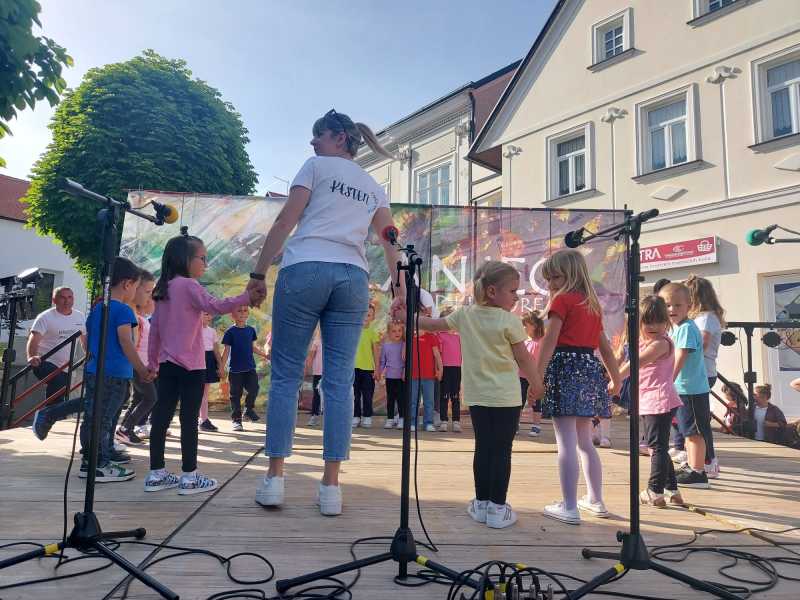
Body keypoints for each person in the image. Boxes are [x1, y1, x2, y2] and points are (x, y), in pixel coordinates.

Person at [247, 109, 402, 516]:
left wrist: (258, 273)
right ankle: (331, 487)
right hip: (352, 277)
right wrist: (400, 288)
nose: (312, 142)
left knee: (285, 375)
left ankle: (275, 479)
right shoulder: (373, 186)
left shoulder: (315, 167)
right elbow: (390, 239)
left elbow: (286, 220)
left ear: (338, 138)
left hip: (305, 269)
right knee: (339, 381)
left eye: (318, 135)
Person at [406, 261, 544, 528]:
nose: (516, 297)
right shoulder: (510, 321)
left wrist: (406, 317)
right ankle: (497, 509)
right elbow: (524, 359)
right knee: (502, 450)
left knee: (483, 447)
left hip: (478, 397)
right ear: (492, 291)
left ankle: (481, 504)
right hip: (506, 398)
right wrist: (537, 384)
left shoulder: (465, 315)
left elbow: (432, 324)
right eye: (512, 291)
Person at [145, 234, 255, 495]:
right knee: (189, 420)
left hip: (166, 365)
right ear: (185, 259)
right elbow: (214, 306)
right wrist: (246, 297)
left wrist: (152, 363)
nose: (206, 263)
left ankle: (156, 474)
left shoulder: (163, 288)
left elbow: (155, 331)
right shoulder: (189, 285)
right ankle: (189, 477)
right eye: (202, 258)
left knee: (161, 417)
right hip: (192, 367)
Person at [537, 249, 621, 525]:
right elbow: (605, 348)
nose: (551, 284)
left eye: (555, 278)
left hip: (565, 370)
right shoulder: (591, 305)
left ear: (571, 275)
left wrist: (537, 375)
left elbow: (550, 340)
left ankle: (570, 506)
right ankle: (595, 500)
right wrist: (616, 378)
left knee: (566, 442)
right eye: (549, 279)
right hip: (589, 370)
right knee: (585, 442)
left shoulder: (562, 301)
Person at [79, 257, 150, 482]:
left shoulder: (98, 308)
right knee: (105, 420)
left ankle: (89, 462)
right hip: (115, 375)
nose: (136, 291)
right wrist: (141, 369)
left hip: (94, 371)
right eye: (136, 286)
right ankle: (100, 465)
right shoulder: (123, 310)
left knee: (92, 417)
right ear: (127, 284)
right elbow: (126, 341)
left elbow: (87, 338)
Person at [618, 296, 684, 508]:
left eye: (659, 321)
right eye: (647, 322)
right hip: (650, 400)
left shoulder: (661, 343)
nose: (653, 326)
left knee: (657, 447)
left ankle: (654, 490)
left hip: (659, 400)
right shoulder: (646, 342)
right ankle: (672, 490)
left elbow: (636, 363)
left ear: (667, 322)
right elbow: (626, 353)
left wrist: (615, 379)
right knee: (659, 446)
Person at [658, 282, 710, 489]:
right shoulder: (676, 328)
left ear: (689, 306)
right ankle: (692, 465)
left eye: (677, 305)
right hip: (683, 389)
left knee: (694, 432)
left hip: (691, 390)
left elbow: (681, 356)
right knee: (687, 430)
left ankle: (698, 472)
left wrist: (668, 379)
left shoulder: (687, 328)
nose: (672, 309)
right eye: (667, 305)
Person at [28, 287, 87, 440]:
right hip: (44, 361)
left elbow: (84, 340)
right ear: (54, 300)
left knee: (59, 392)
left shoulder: (79, 317)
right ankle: (47, 415)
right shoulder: (46, 317)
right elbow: (34, 339)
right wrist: (32, 356)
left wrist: (90, 354)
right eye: (62, 297)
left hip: (65, 365)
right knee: (59, 382)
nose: (67, 301)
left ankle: (48, 418)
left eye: (70, 297)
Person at [686, 275, 725, 479]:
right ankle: (699, 458)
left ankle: (708, 460)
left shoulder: (706, 318)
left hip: (701, 373)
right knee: (692, 419)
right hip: (697, 373)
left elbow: (701, 344)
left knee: (698, 420)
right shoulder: (702, 317)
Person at [116, 270, 157, 445]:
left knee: (139, 398)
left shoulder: (140, 317)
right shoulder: (133, 316)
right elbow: (132, 344)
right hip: (137, 366)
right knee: (151, 397)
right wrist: (141, 368)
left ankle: (125, 429)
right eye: (148, 293)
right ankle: (125, 429)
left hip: (140, 365)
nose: (150, 298)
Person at [221, 305, 267, 432]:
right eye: (239, 311)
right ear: (232, 315)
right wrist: (221, 367)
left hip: (249, 368)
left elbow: (252, 347)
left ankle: (248, 410)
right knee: (235, 395)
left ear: (248, 314)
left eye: (245, 310)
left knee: (254, 388)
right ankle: (236, 420)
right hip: (235, 370)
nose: (242, 313)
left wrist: (265, 354)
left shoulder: (251, 330)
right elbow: (226, 351)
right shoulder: (230, 332)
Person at [410, 298, 442, 432]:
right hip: (413, 375)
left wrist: (440, 369)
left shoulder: (431, 337)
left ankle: (428, 422)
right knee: (413, 401)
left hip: (429, 376)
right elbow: (405, 357)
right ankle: (412, 422)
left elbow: (437, 355)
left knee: (429, 401)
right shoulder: (410, 339)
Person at [352, 301, 381, 428]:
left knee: (368, 394)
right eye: (364, 314)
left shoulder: (373, 333)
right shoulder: (353, 331)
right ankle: (356, 416)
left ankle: (367, 416)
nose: (365, 317)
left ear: (373, 317)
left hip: (368, 369)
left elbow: (376, 353)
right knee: (355, 394)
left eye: (369, 315)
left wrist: (377, 369)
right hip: (353, 368)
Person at [437, 307, 462, 433]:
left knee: (455, 395)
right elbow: (437, 354)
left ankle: (456, 421)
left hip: (456, 369)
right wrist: (438, 369)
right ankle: (444, 421)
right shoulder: (439, 336)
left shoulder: (459, 337)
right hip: (444, 369)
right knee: (444, 395)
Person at [520, 310, 544, 437]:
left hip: (535, 377)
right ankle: (515, 424)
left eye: (526, 325)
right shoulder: (523, 341)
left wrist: (537, 377)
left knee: (535, 401)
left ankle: (536, 425)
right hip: (521, 376)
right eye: (522, 325)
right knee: (519, 400)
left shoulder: (540, 342)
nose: (523, 327)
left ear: (534, 326)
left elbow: (540, 361)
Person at [199, 312, 223, 432]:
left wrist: (220, 365)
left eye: (210, 314)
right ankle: (198, 418)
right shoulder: (193, 330)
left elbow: (216, 350)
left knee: (204, 392)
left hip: (208, 360)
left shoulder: (212, 331)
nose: (209, 317)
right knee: (195, 392)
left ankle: (204, 419)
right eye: (206, 314)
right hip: (196, 359)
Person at [379, 320, 405, 429]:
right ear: (389, 333)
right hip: (390, 377)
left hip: (401, 377)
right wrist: (381, 374)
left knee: (401, 399)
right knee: (390, 399)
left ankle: (402, 419)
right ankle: (390, 419)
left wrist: (405, 372)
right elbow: (383, 361)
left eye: (399, 330)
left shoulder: (405, 345)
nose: (397, 333)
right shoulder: (386, 346)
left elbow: (406, 361)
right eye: (394, 331)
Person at [306, 328, 323, 427]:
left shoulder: (333, 341)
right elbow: (311, 356)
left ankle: (331, 418)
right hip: (318, 373)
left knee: (330, 396)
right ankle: (314, 416)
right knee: (317, 395)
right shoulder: (317, 341)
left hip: (330, 374)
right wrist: (306, 369)